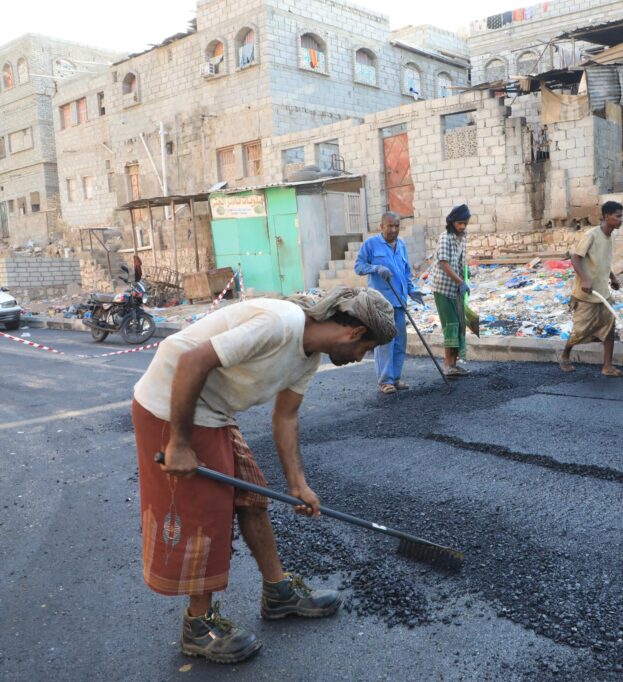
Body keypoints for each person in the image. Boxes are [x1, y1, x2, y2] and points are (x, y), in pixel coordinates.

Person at [131, 287, 397, 663]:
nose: (360, 358)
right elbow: (190, 361)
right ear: (354, 332)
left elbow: (286, 417)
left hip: (214, 410)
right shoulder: (280, 323)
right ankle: (198, 625)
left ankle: (278, 592)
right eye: (366, 349)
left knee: (253, 496)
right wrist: (178, 443)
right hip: (171, 403)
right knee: (206, 514)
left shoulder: (308, 358)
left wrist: (298, 485)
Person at [355, 211, 426, 394]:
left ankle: (395, 378)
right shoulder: (371, 244)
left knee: (400, 342)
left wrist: (412, 290)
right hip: (381, 304)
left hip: (400, 301)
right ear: (382, 226)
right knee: (386, 343)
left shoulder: (401, 245)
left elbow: (406, 272)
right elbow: (359, 267)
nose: (394, 230)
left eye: (397, 226)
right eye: (390, 226)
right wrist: (376, 268)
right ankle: (385, 381)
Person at [559, 201, 623, 377]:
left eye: (621, 216)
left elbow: (603, 262)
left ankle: (607, 366)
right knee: (580, 330)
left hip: (603, 292)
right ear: (606, 217)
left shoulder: (610, 237)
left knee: (609, 328)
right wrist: (585, 280)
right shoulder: (592, 235)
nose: (621, 220)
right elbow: (575, 258)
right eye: (617, 216)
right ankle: (565, 355)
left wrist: (613, 279)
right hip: (586, 294)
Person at [431, 204, 472, 377]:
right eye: (459, 223)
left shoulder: (462, 238)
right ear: (452, 222)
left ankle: (454, 364)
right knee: (451, 326)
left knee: (459, 325)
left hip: (456, 287)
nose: (462, 226)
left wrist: (465, 275)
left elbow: (460, 261)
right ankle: (447, 365)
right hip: (443, 287)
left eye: (465, 223)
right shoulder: (445, 237)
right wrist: (460, 281)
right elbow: (444, 263)